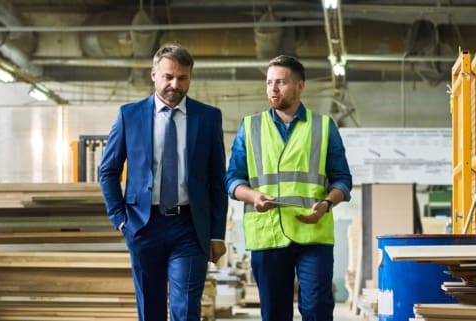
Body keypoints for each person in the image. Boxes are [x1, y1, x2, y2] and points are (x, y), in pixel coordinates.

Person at [98, 43, 228, 321]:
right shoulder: (128, 115)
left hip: (190, 227)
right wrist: (120, 219)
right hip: (144, 224)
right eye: (168, 76)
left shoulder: (208, 118)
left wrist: (217, 233)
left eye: (183, 78)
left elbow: (217, 180)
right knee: (150, 308)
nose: (175, 84)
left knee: (185, 308)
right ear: (154, 74)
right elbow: (108, 171)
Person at [224, 55, 352, 321]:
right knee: (274, 313)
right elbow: (233, 179)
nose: (273, 88)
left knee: (317, 308)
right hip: (267, 233)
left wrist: (327, 203)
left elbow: (342, 180)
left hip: (313, 232)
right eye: (269, 82)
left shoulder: (323, 126)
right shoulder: (250, 127)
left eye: (281, 82)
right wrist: (253, 195)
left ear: (300, 86)